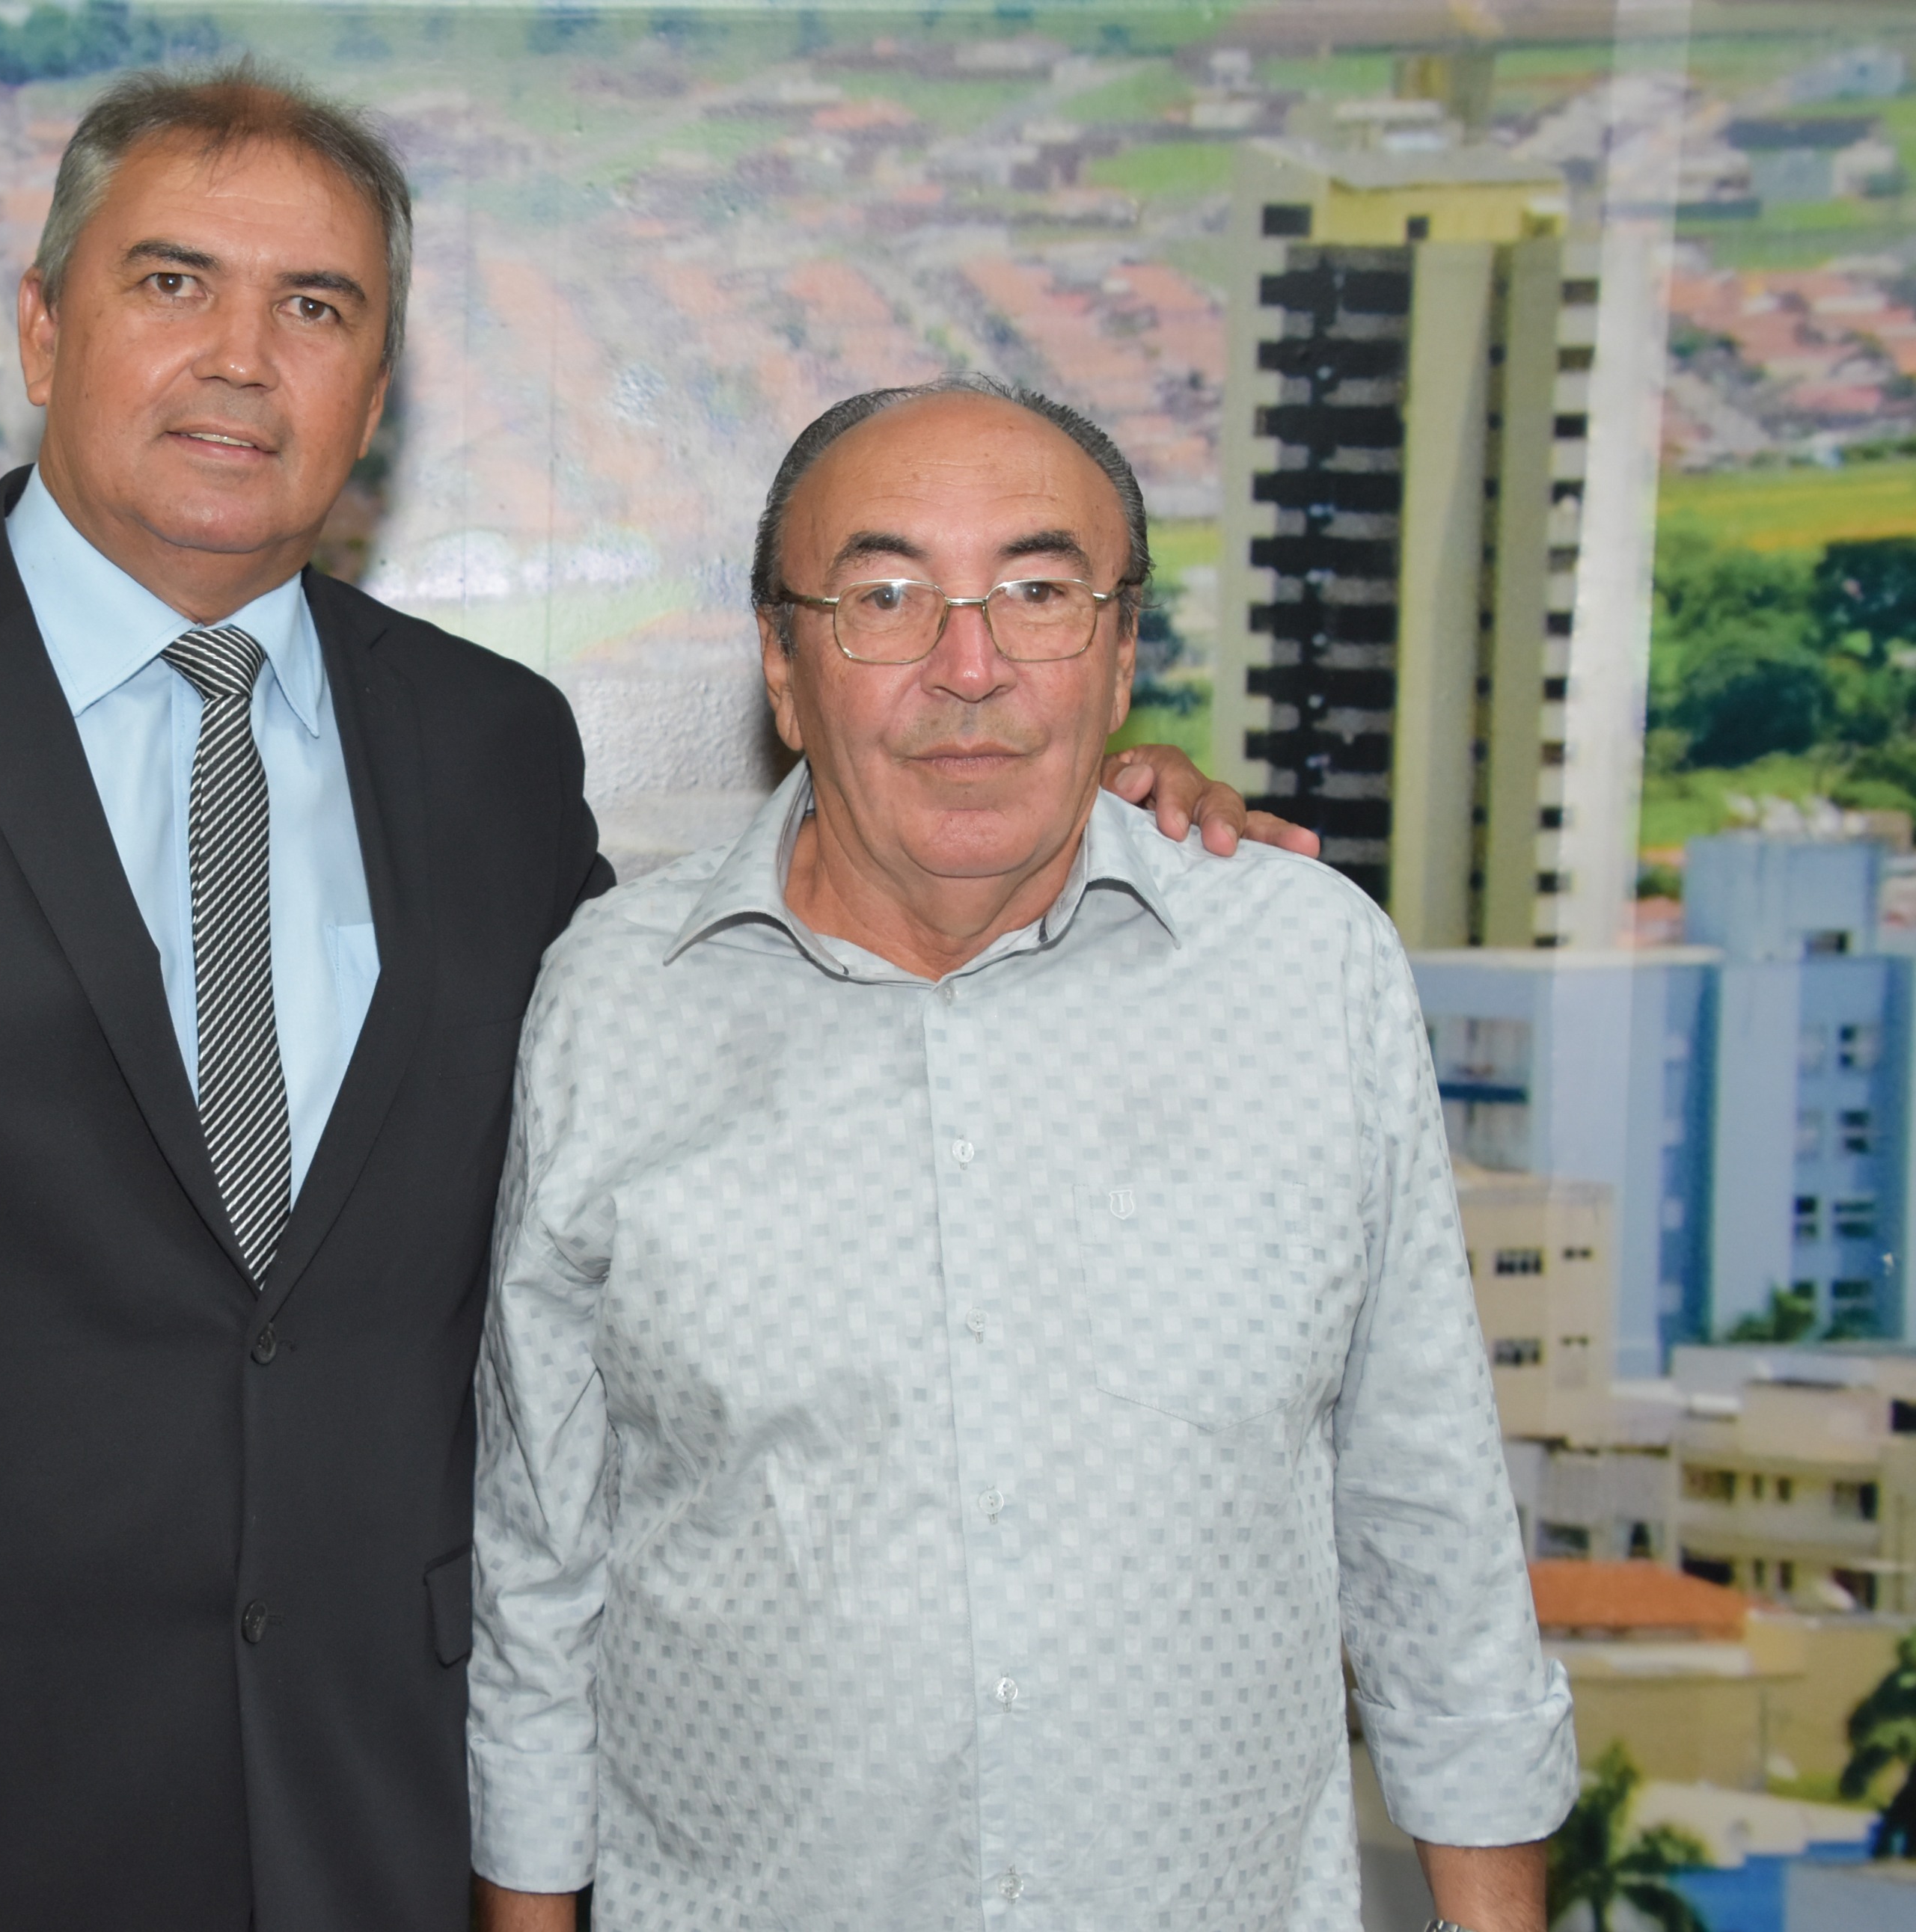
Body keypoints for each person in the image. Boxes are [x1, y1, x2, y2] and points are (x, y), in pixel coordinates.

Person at [0, 67, 1297, 1932]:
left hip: (381, 1841)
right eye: (173, 282)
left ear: (377, 391)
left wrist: (1044, 835)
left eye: (315, 307)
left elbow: (702, 1118)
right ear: (43, 324)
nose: (242, 358)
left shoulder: (487, 746)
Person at [468, 377, 1574, 1932]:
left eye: (1040, 594)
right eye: (885, 598)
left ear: (1119, 654)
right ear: (782, 663)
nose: (970, 667)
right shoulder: (613, 996)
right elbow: (539, 1564)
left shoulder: (1303, 966)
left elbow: (1430, 1518)